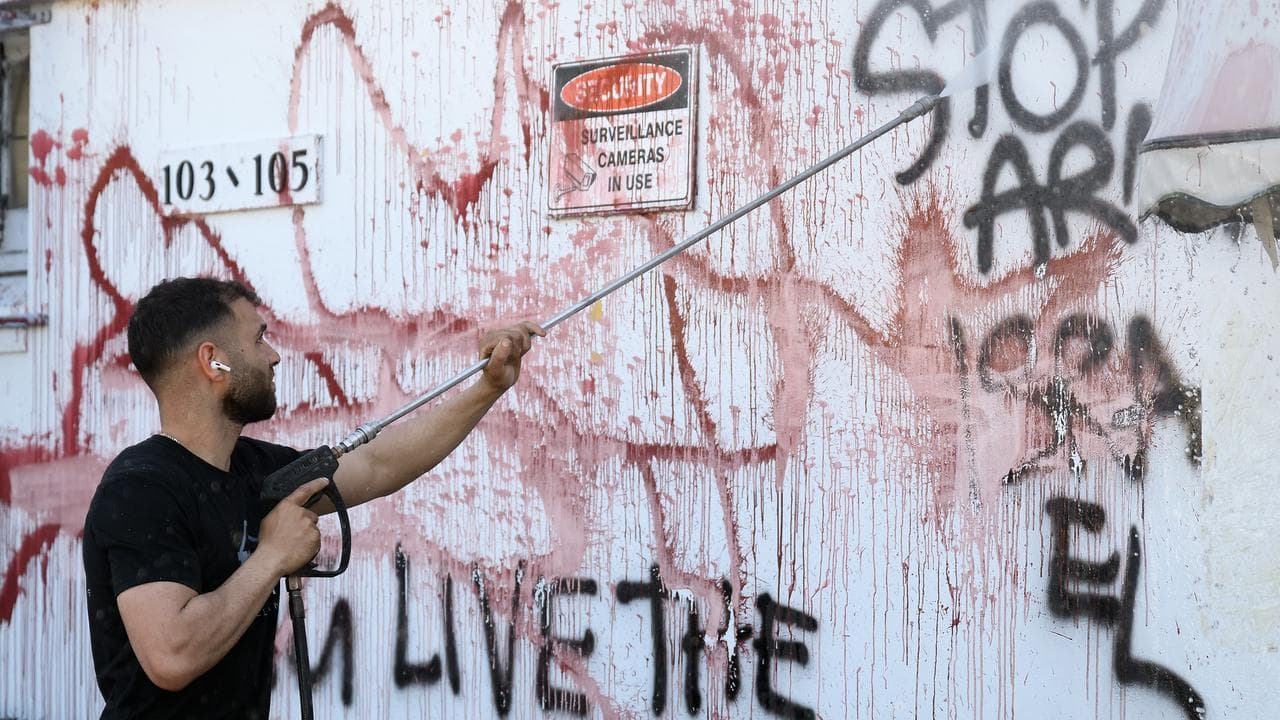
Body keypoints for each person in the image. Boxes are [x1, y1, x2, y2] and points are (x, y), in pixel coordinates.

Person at [82, 277, 543, 719]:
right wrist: (271, 558)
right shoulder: (141, 489)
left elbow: (379, 465)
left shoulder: (253, 469)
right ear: (213, 361)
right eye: (259, 339)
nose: (274, 356)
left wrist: (488, 387)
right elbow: (172, 656)